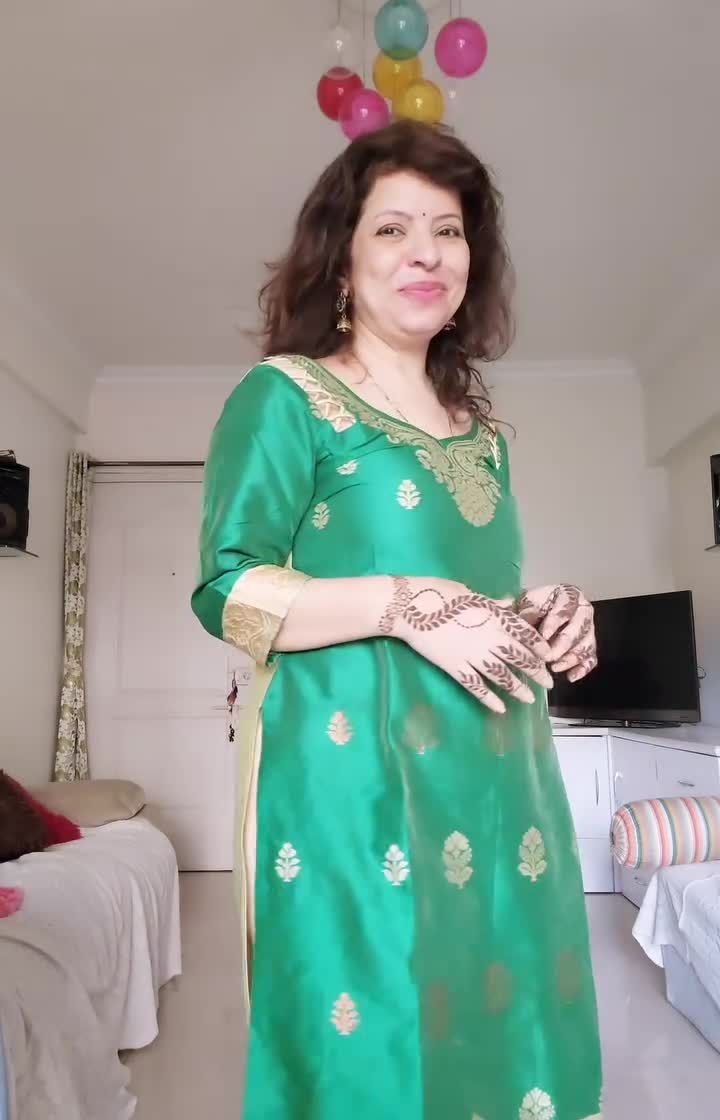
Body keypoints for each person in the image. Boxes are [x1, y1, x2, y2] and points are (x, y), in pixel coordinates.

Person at [192, 120, 603, 1120]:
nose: (428, 253)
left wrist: (545, 613)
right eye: (393, 229)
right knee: (377, 1035)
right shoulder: (287, 396)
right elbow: (227, 589)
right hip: (355, 782)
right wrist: (400, 603)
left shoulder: (486, 437)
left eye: (449, 231)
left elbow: (474, 601)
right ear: (342, 258)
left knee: (498, 1029)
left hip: (501, 775)